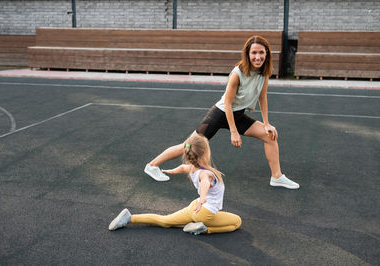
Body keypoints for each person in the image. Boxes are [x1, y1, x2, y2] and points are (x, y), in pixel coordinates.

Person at [144, 35, 299, 189]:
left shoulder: (264, 72)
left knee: (270, 136)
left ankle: (277, 176)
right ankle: (152, 166)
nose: (258, 57)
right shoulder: (237, 74)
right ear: (247, 54)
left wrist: (266, 124)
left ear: (267, 54)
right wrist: (234, 132)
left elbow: (262, 96)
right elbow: (227, 103)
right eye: (254, 53)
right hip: (220, 114)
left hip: (237, 114)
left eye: (261, 53)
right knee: (188, 146)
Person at [109, 134, 242, 235]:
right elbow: (205, 184)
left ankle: (130, 218)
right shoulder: (206, 173)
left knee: (165, 221)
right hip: (205, 213)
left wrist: (172, 171)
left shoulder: (193, 168)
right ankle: (205, 229)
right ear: (205, 153)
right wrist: (202, 199)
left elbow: (183, 167)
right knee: (237, 222)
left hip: (194, 208)